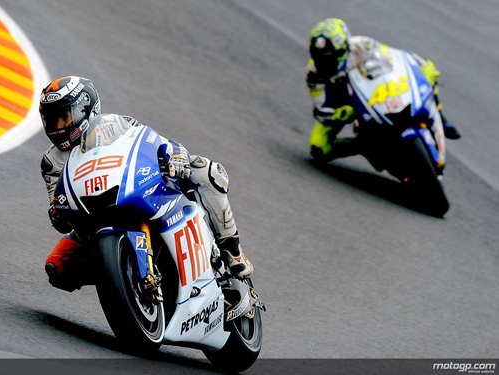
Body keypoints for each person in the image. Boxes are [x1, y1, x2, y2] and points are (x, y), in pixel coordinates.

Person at [39, 76, 253, 292]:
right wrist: (58, 212)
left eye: (63, 117)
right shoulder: (52, 162)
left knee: (210, 172)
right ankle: (119, 272)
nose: (57, 126)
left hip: (134, 189)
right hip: (92, 217)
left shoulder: (116, 124)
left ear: (86, 108)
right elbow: (59, 212)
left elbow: (154, 142)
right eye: (51, 119)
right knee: (57, 269)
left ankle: (232, 250)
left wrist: (176, 156)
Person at [306, 18, 461, 162]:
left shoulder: (361, 46)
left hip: (370, 91)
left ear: (343, 48)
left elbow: (392, 57)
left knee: (428, 73)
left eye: (329, 57)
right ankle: (361, 146)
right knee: (318, 148)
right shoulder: (313, 74)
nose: (324, 62)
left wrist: (418, 65)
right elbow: (320, 109)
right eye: (320, 57)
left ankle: (441, 117)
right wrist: (338, 114)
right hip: (342, 106)